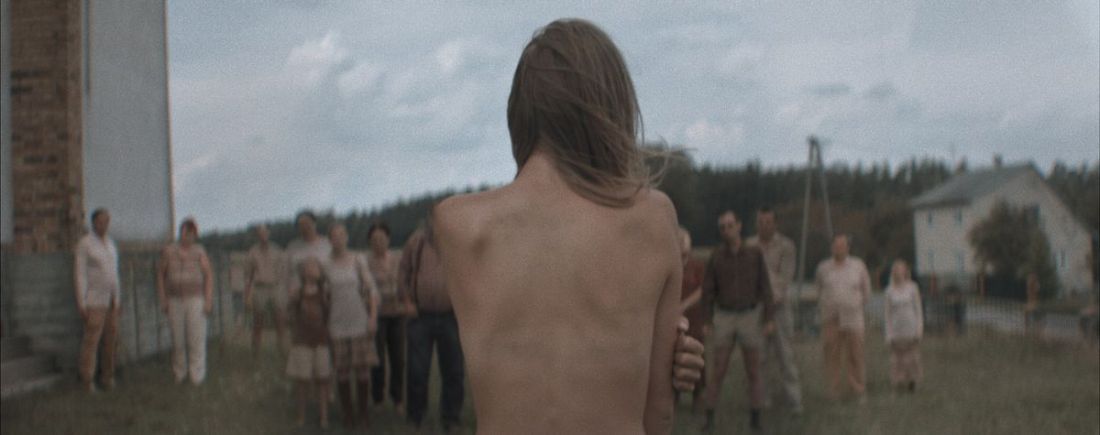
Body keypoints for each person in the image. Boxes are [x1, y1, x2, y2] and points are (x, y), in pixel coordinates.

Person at [433, 18, 685, 434]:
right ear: (611, 107)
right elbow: (658, 414)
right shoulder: (653, 219)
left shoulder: (460, 225)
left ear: (519, 113)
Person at [700, 211, 775, 432]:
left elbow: (766, 287)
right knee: (718, 369)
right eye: (722, 227)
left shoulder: (754, 254)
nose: (727, 230)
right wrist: (707, 320)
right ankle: (709, 418)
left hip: (749, 316)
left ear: (739, 226)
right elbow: (707, 290)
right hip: (724, 316)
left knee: (753, 370)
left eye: (730, 225)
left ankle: (756, 419)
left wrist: (769, 318)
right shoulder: (716, 256)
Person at [399, 224, 464, 432]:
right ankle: (415, 417)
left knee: (453, 370)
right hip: (420, 317)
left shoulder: (457, 242)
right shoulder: (415, 242)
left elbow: (468, 275)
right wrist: (407, 301)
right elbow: (402, 273)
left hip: (451, 316)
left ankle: (451, 418)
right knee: (417, 371)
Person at [746, 207, 804, 414]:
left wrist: (769, 298)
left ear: (775, 223)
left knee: (785, 355)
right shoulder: (749, 246)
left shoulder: (787, 246)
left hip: (780, 308)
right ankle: (762, 399)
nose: (764, 226)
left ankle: (794, 400)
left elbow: (784, 279)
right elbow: (748, 278)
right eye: (760, 222)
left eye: (768, 222)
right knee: (759, 356)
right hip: (756, 308)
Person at [324, 223, 380, 429]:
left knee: (363, 371)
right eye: (334, 236)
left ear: (347, 237)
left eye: (341, 235)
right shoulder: (326, 265)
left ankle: (363, 413)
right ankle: (347, 414)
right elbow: (324, 297)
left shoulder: (358, 260)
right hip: (337, 324)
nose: (338, 239)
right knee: (343, 372)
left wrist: (372, 318)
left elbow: (371, 290)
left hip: (360, 322)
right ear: (329, 240)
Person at [156, 218, 214, 385]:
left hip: (195, 299)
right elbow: (160, 274)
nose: (186, 237)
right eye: (184, 233)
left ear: (195, 235)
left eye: (190, 234)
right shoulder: (169, 251)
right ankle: (179, 373)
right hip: (174, 300)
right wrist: (163, 298)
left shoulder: (199, 251)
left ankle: (197, 375)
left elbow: (208, 275)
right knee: (178, 339)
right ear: (180, 233)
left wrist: (208, 300)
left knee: (196, 337)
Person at [815, 233, 871, 402]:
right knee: (831, 355)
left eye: (842, 245)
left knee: (856, 355)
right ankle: (833, 391)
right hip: (830, 318)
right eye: (836, 245)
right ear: (831, 247)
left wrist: (854, 305)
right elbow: (819, 290)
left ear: (848, 247)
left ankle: (858, 390)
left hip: (853, 318)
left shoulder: (858, 265)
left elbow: (866, 291)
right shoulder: (823, 268)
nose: (838, 248)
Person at [74, 208, 121, 392]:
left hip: (111, 300)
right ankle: (87, 380)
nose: (104, 225)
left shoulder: (110, 244)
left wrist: (118, 299)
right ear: (93, 223)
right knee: (91, 341)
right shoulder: (85, 244)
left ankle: (107, 377)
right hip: (94, 300)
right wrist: (82, 301)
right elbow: (80, 274)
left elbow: (114, 273)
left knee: (111, 340)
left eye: (106, 222)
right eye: (100, 221)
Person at [286, 257, 333, 429]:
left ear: (320, 272)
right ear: (302, 272)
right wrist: (292, 301)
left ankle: (324, 417)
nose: (312, 269)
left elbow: (329, 314)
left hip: (321, 341)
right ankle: (301, 416)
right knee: (302, 381)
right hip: (302, 342)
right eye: (308, 266)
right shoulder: (297, 292)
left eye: (315, 266)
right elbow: (290, 314)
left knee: (323, 380)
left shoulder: (324, 292)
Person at [367, 221, 408, 412]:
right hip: (377, 314)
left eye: (382, 238)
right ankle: (378, 398)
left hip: (398, 314)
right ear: (370, 242)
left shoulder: (398, 258)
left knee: (398, 358)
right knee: (378, 359)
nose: (378, 243)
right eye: (374, 239)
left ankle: (397, 398)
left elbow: (407, 281)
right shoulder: (366, 262)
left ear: (388, 239)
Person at [244, 223, 287, 356]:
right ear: (257, 235)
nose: (263, 235)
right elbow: (248, 275)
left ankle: (282, 350)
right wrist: (247, 295)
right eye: (260, 233)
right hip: (260, 288)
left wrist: (283, 287)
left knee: (280, 320)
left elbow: (284, 271)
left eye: (265, 233)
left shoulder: (277, 250)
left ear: (269, 233)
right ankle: (255, 352)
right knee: (258, 321)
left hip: (275, 288)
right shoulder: (252, 252)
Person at [883, 259, 923, 393]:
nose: (898, 272)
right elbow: (887, 314)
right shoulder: (889, 291)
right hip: (896, 330)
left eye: (901, 269)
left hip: (911, 329)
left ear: (905, 271)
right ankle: (898, 382)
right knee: (897, 359)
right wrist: (888, 334)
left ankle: (913, 381)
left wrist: (919, 330)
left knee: (912, 358)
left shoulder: (913, 287)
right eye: (896, 269)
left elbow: (918, 310)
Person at [678, 228, 707, 412]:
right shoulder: (670, 265)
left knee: (696, 355)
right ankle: (674, 396)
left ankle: (698, 396)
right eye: (679, 241)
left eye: (685, 241)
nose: (682, 245)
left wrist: (684, 304)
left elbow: (702, 290)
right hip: (674, 320)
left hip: (694, 318)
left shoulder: (697, 265)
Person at [285, 210, 332, 301]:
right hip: (299, 297)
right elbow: (286, 273)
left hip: (325, 295)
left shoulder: (327, 244)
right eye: (301, 225)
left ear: (314, 224)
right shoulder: (292, 247)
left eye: (307, 224)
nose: (305, 227)